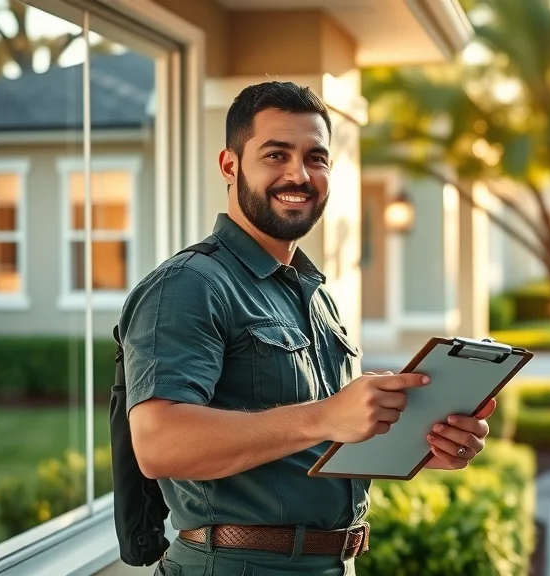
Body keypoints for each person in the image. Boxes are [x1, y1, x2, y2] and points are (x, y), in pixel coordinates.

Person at [117, 81, 496, 576]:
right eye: (276, 155)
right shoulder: (189, 285)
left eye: (316, 158)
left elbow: (316, 438)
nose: (299, 174)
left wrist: (420, 445)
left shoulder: (314, 293)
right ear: (230, 166)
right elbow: (158, 444)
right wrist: (323, 416)